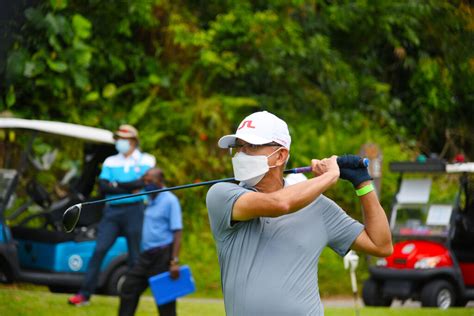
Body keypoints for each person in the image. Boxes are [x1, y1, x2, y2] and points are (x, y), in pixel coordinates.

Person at [206, 111, 393, 315]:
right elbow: (280, 204)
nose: (242, 154)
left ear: (280, 155)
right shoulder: (223, 195)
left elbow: (381, 245)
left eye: (251, 146)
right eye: (238, 147)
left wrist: (362, 183)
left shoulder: (318, 206)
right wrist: (330, 176)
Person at [69, 124, 156, 306]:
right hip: (112, 212)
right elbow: (103, 186)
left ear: (133, 141)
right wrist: (130, 186)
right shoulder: (110, 161)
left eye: (124, 139)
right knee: (99, 250)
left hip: (135, 210)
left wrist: (116, 185)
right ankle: (84, 295)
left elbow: (144, 182)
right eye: (118, 139)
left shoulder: (147, 160)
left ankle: (132, 297)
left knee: (134, 255)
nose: (120, 142)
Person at [119, 168, 183, 316]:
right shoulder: (147, 197)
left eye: (150, 181)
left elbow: (177, 231)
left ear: (160, 182)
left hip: (162, 256)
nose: (146, 184)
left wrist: (174, 261)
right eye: (145, 181)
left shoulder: (170, 200)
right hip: (145, 255)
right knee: (128, 287)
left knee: (165, 301)